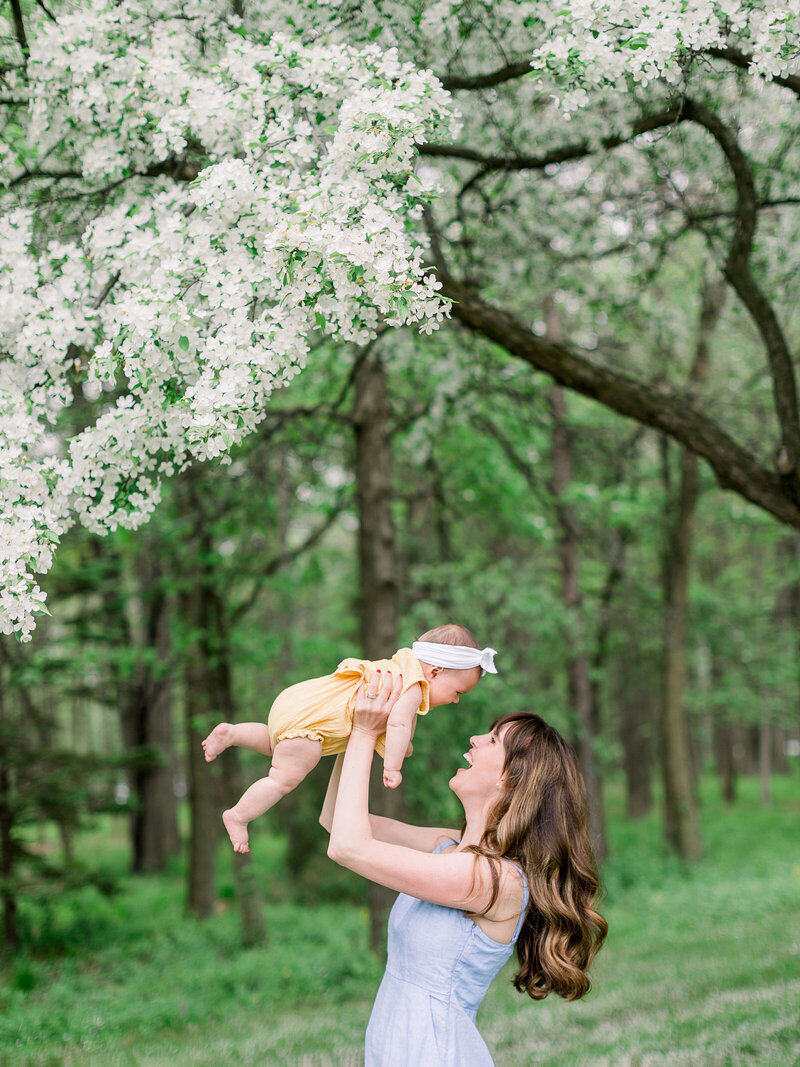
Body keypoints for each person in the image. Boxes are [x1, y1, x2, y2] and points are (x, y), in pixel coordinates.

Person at [321, 671, 608, 1067]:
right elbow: (336, 821)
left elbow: (348, 847)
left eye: (492, 740)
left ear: (511, 780)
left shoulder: (494, 880)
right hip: (395, 1047)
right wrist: (355, 733)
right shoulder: (447, 848)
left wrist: (366, 732)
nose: (475, 739)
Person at [202, 623, 497, 853]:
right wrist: (392, 766)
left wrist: (403, 745)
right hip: (310, 726)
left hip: (296, 703)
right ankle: (239, 816)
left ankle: (232, 732)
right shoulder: (414, 686)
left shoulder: (397, 668)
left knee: (273, 743)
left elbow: (403, 725)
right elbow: (397, 725)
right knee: (282, 778)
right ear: (434, 672)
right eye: (458, 692)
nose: (456, 701)